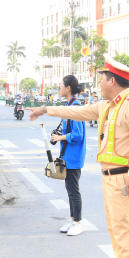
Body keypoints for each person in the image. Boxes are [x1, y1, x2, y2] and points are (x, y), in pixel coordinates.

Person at [27, 54, 129, 258]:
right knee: (115, 228)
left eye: (102, 78)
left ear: (112, 80)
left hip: (124, 178)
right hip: (109, 177)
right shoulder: (107, 105)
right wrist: (45, 109)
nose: (99, 83)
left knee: (124, 229)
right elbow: (76, 111)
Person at [51, 76, 86, 236]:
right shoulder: (69, 105)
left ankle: (78, 222)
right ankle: (73, 219)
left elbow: (77, 135)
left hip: (73, 156)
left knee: (73, 190)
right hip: (67, 155)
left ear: (68, 88)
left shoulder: (75, 108)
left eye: (61, 86)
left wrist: (60, 137)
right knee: (69, 188)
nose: (59, 89)